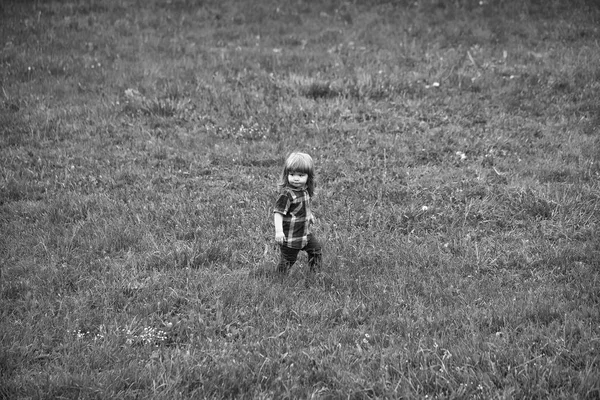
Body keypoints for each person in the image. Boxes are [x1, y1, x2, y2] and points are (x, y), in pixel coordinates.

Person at [273, 152, 322, 276]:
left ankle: (315, 273)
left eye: (300, 175)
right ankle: (279, 278)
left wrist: (309, 215)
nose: (296, 178)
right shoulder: (287, 194)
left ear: (308, 176)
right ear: (287, 174)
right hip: (290, 236)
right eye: (292, 174)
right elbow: (278, 212)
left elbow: (305, 205)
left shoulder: (304, 191)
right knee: (288, 260)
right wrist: (279, 231)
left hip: (304, 233)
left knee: (315, 250)